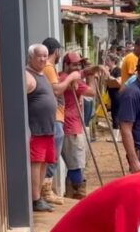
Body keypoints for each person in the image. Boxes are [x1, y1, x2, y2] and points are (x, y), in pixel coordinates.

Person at [59, 52, 103, 199]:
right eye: (74, 64)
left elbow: (82, 72)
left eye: (79, 64)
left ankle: (71, 197)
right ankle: (78, 197)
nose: (77, 67)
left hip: (72, 126)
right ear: (66, 65)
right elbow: (92, 92)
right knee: (76, 166)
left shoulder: (68, 76)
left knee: (75, 164)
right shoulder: (70, 80)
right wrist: (92, 78)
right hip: (71, 128)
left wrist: (90, 70)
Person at [41, 37, 77, 206]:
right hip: (54, 117)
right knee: (52, 154)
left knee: (52, 154)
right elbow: (56, 90)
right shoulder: (48, 67)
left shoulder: (49, 68)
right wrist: (70, 79)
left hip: (57, 116)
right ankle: (46, 190)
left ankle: (46, 189)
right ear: (56, 51)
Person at [25, 44, 58, 212]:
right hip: (36, 131)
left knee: (44, 163)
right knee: (36, 164)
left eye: (46, 56)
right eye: (40, 56)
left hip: (48, 130)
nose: (44, 59)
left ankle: (38, 197)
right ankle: (35, 199)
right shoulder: (27, 76)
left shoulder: (42, 74)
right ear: (31, 57)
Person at [104, 54, 122, 142]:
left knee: (116, 115)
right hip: (112, 95)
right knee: (114, 114)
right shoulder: (111, 70)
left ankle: (115, 137)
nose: (106, 62)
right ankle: (116, 136)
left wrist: (108, 75)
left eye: (108, 61)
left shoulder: (117, 70)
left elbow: (119, 81)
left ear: (113, 61)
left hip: (117, 95)